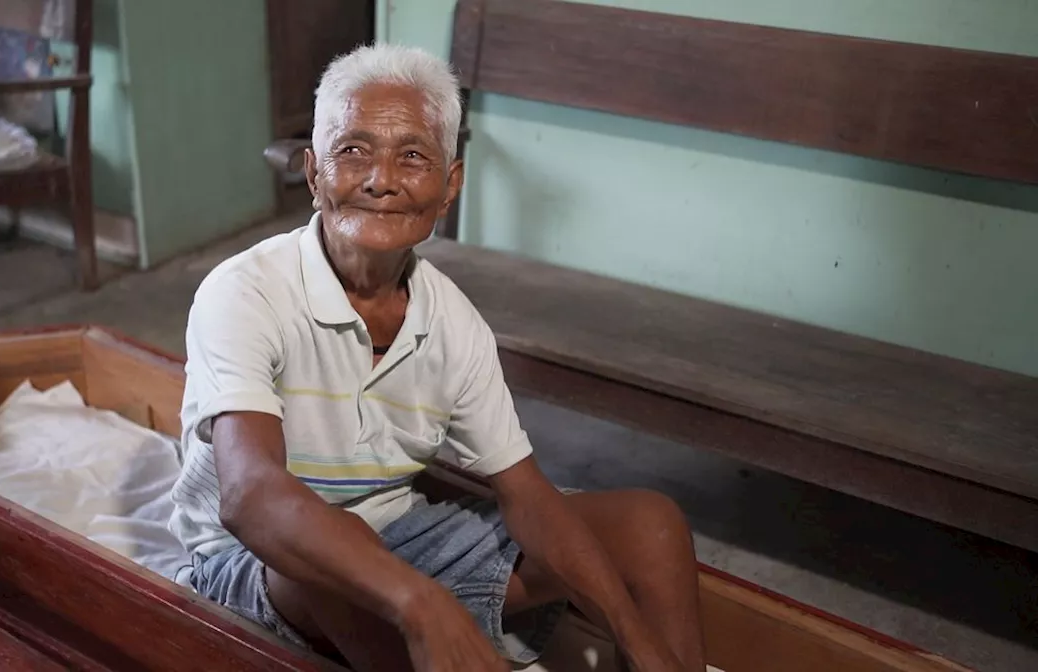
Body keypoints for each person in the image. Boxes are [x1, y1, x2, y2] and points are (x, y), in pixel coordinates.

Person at [171, 43, 704, 672]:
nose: (381, 179)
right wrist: (423, 605)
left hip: (399, 538)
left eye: (414, 156)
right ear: (314, 174)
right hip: (258, 564)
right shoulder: (246, 291)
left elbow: (526, 496)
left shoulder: (452, 321)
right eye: (353, 151)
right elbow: (250, 497)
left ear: (449, 186)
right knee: (329, 549)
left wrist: (635, 636)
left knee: (650, 524)